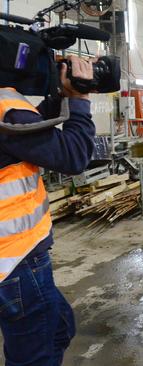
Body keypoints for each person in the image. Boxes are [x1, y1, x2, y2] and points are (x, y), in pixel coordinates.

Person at [0, 56, 95, 364]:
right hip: (15, 260)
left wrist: (59, 100)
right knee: (34, 356)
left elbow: (25, 137)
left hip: (15, 259)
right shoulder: (6, 107)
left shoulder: (11, 115)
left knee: (59, 328)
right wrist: (79, 101)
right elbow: (74, 157)